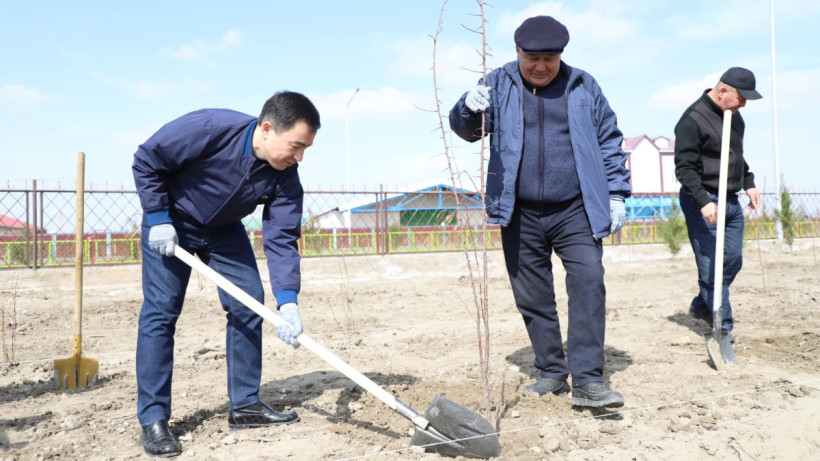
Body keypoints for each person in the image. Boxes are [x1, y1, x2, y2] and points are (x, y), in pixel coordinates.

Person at [450, 15, 631, 408]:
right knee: (532, 296)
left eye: (549, 58)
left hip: (575, 209)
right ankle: (552, 372)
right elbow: (469, 131)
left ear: (560, 56)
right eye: (532, 57)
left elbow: (609, 141)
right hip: (519, 210)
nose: (540, 66)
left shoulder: (583, 86)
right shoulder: (497, 83)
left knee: (588, 282)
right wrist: (467, 107)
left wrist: (616, 193)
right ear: (517, 52)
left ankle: (588, 381)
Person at [131, 91, 320, 457]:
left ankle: (245, 405)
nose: (299, 157)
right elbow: (147, 159)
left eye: (305, 149)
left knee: (249, 303)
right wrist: (156, 217)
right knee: (161, 312)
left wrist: (289, 302)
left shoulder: (286, 177)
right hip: (171, 221)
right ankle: (154, 419)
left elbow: (281, 239)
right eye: (296, 146)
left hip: (224, 230)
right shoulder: (210, 128)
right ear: (267, 129)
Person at [674, 67, 763, 343]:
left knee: (732, 260)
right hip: (704, 200)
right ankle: (723, 328)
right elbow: (684, 168)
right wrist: (702, 201)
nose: (744, 104)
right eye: (742, 98)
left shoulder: (735, 118)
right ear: (722, 91)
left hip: (731, 201)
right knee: (712, 265)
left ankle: (703, 304)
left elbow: (736, 156)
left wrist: (748, 182)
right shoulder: (692, 120)